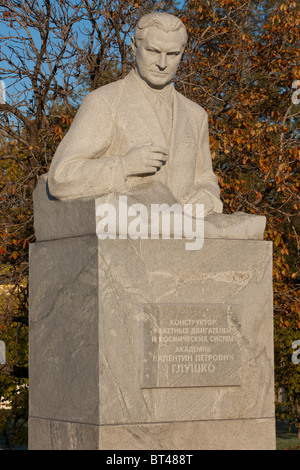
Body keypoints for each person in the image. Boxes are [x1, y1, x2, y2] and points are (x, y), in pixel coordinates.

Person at [48, 12, 223, 216]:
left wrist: (208, 196)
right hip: (131, 229)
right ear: (133, 46)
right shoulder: (105, 101)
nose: (162, 63)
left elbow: (205, 179)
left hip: (186, 234)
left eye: (173, 54)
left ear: (182, 53)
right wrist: (124, 165)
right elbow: (61, 177)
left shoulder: (196, 115)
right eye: (153, 51)